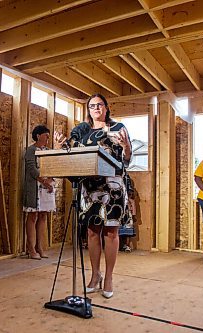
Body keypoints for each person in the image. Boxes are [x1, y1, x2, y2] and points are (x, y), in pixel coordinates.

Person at [56, 93, 132, 299]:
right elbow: (75, 156)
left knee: (111, 233)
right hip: (90, 188)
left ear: (106, 108)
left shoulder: (118, 129)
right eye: (92, 106)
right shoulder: (84, 132)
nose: (96, 108)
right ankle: (95, 274)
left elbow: (127, 159)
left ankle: (108, 277)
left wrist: (126, 147)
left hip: (113, 187)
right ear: (88, 110)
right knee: (91, 233)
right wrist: (64, 145)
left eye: (99, 105)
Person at [23, 125, 55, 260]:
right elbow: (31, 168)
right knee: (32, 216)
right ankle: (31, 248)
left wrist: (51, 179)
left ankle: (40, 247)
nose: (48, 137)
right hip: (35, 187)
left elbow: (53, 165)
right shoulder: (31, 150)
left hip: (46, 188)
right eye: (45, 135)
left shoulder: (48, 150)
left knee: (43, 216)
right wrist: (43, 180)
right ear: (38, 136)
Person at [119, 174, 137, 253]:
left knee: (128, 231)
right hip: (120, 214)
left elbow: (133, 206)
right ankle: (120, 245)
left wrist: (133, 215)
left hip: (128, 215)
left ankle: (127, 245)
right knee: (119, 231)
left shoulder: (130, 199)